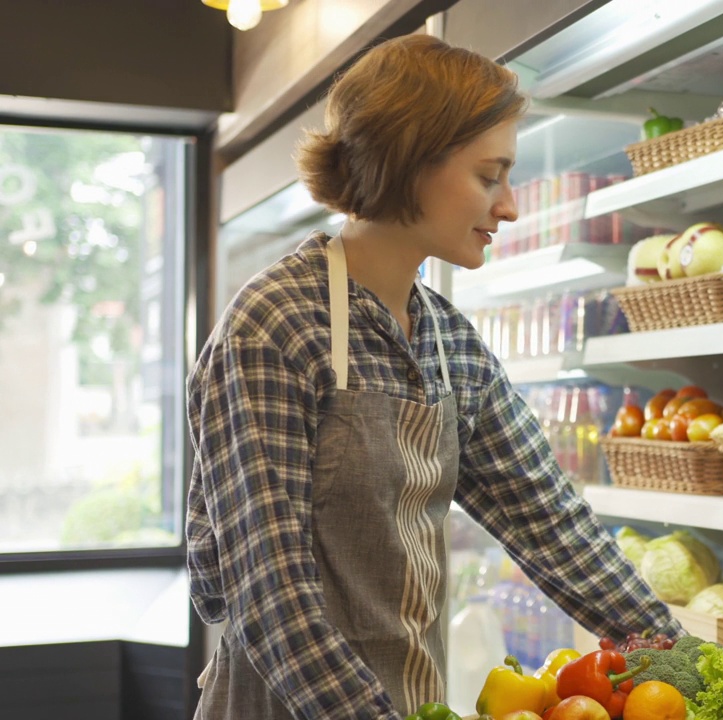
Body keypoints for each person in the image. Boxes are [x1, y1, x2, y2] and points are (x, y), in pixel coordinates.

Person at [185, 33, 681, 719]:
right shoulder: (273, 326)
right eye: (489, 176)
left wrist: (691, 670)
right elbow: (272, 600)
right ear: (411, 159)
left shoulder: (450, 341)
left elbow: (552, 525)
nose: (508, 206)